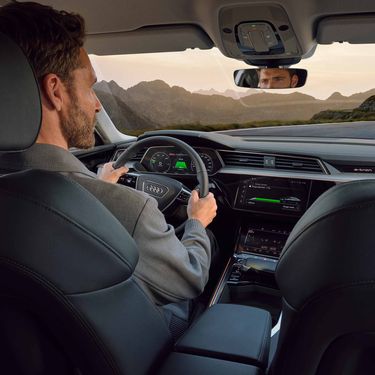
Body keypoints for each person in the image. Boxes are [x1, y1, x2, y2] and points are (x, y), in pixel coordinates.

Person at [0, 1, 217, 336]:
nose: (97, 103)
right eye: (90, 87)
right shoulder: (128, 208)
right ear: (55, 91)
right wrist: (196, 223)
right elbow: (189, 278)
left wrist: (95, 183)